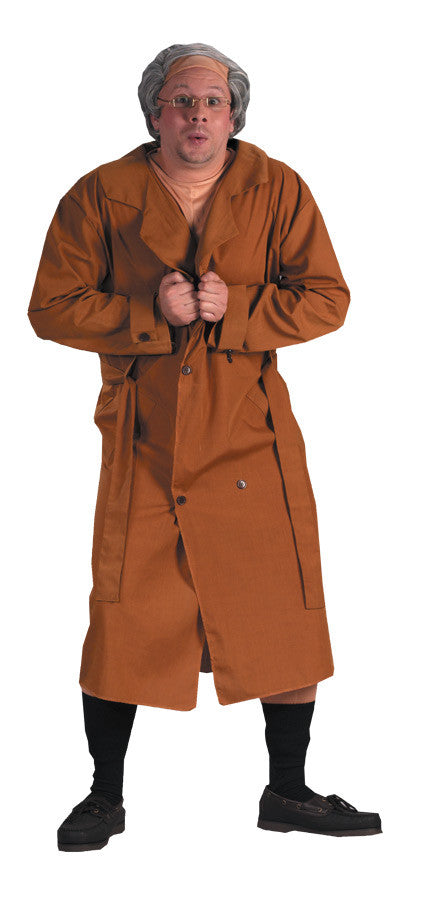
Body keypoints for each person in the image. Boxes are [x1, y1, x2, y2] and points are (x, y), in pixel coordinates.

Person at [28, 42, 382, 850]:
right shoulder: (100, 195)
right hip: (143, 438)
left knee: (283, 610)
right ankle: (103, 796)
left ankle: (288, 791)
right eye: (182, 100)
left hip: (249, 436)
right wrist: (147, 312)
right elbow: (51, 307)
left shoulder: (278, 188)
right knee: (123, 614)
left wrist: (241, 307)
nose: (198, 114)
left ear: (234, 115)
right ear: (154, 112)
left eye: (213, 102)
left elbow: (328, 297)